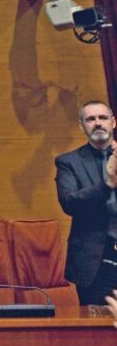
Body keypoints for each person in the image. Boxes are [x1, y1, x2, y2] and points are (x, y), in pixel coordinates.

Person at [55, 101, 117, 305]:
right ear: (82, 126)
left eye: (103, 118)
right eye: (91, 119)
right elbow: (69, 202)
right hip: (95, 260)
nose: (97, 123)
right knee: (99, 328)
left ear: (113, 122)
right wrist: (106, 183)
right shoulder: (69, 162)